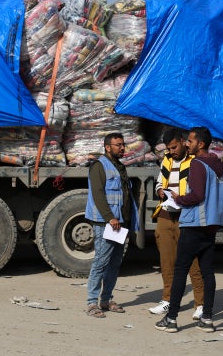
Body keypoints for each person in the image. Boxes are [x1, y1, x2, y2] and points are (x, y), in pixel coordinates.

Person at [155, 126, 223, 333]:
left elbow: (196, 196)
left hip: (195, 223)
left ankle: (171, 319)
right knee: (207, 272)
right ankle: (207, 318)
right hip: (211, 226)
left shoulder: (197, 164)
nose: (188, 143)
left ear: (201, 144)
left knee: (180, 272)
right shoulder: (218, 165)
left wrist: (179, 198)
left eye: (191, 141)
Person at [148, 128, 204, 320]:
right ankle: (167, 300)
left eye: (174, 147)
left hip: (185, 215)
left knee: (192, 262)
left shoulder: (194, 161)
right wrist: (160, 191)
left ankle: (200, 303)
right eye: (169, 148)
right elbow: (159, 181)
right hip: (165, 213)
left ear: (182, 142)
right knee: (166, 260)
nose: (172, 151)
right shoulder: (166, 160)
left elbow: (197, 190)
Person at [84, 132, 139, 318]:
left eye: (123, 144)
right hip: (107, 223)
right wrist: (109, 218)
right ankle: (92, 303)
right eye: (118, 145)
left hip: (120, 223)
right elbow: (98, 195)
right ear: (107, 147)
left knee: (114, 264)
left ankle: (106, 299)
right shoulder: (99, 166)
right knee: (101, 262)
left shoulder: (120, 166)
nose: (122, 148)